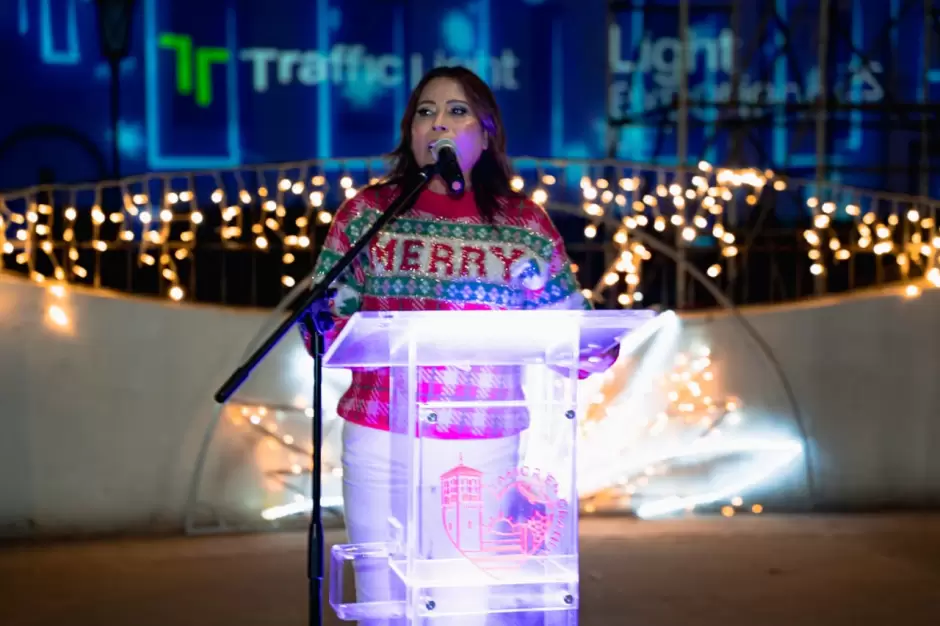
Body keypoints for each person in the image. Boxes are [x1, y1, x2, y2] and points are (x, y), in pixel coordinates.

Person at [302, 66, 618, 625]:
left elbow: (569, 324)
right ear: (410, 132)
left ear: (486, 132)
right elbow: (330, 312)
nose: (438, 123)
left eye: (457, 111)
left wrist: (592, 350)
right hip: (379, 436)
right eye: (425, 112)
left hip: (482, 441)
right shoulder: (369, 213)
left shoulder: (523, 224)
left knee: (464, 602)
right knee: (381, 598)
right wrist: (321, 324)